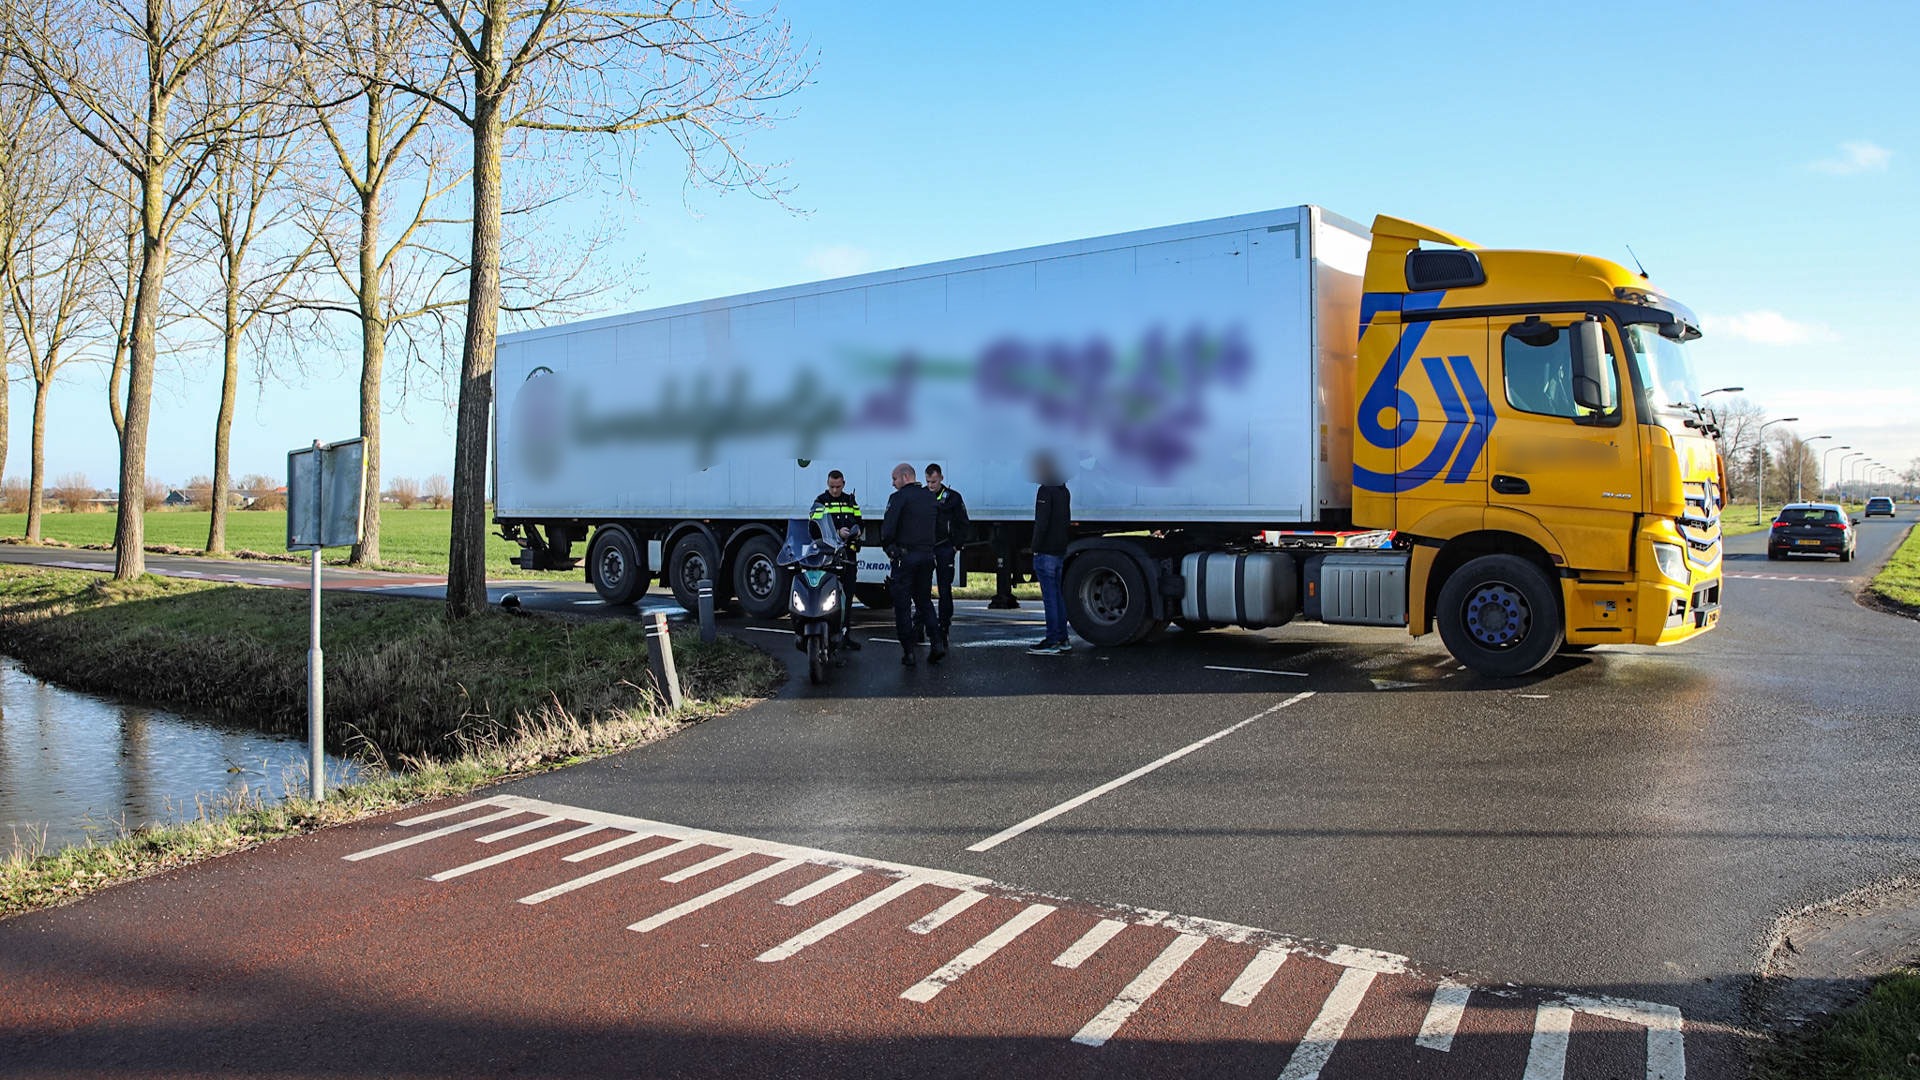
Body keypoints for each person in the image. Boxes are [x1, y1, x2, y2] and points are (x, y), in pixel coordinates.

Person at [880, 462, 942, 666]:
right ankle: (937, 643)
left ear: (905, 477)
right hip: (926, 557)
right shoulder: (930, 497)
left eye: (894, 479)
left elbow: (888, 530)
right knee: (924, 602)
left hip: (905, 558)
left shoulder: (898, 499)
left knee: (903, 606)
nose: (892, 483)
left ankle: (909, 652)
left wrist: (890, 549)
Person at [811, 470, 863, 651]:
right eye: (831, 486)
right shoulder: (820, 501)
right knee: (828, 596)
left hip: (848, 555)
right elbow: (815, 529)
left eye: (838, 486)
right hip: (829, 557)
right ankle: (828, 636)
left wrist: (856, 530)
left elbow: (859, 521)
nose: (834, 490)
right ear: (827, 483)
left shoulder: (850, 501)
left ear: (844, 483)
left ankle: (845, 635)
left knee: (847, 596)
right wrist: (837, 532)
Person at [1028, 453, 1072, 655]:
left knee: (1050, 597)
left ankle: (1053, 639)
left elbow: (1041, 523)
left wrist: (1035, 547)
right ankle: (1062, 638)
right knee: (1057, 595)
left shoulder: (1045, 491)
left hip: (1046, 550)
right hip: (1059, 548)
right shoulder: (1063, 490)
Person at [925, 462, 971, 639]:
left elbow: (963, 523)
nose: (931, 486)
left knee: (944, 589)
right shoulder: (923, 496)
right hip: (927, 548)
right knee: (922, 589)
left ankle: (944, 626)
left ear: (941, 479)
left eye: (934, 482)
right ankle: (921, 625)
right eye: (928, 482)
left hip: (945, 547)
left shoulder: (952, 498)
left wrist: (955, 545)